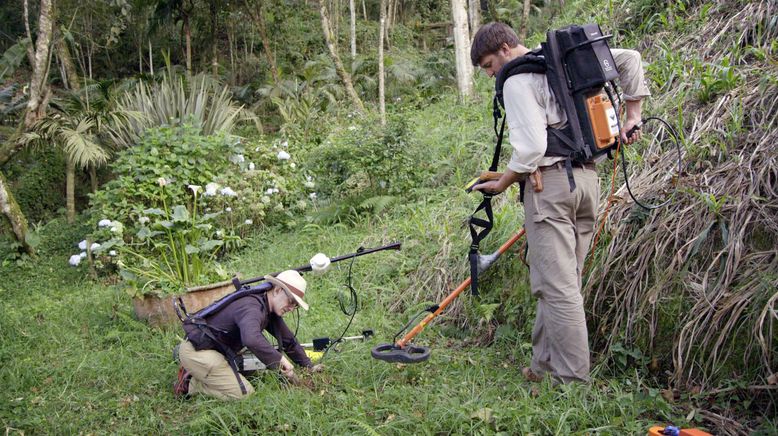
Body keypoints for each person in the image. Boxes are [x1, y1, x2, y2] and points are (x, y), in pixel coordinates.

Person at [469, 22, 650, 384]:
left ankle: (569, 381)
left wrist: (503, 181)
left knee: (557, 287)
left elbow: (533, 148)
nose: (491, 74)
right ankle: (543, 365)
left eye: (489, 65)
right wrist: (633, 117)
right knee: (562, 283)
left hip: (549, 186)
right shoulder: (561, 59)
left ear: (504, 48)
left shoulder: (517, 79)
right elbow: (630, 60)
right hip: (587, 182)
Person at [174, 270, 322, 399]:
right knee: (245, 395)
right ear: (277, 290)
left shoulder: (268, 307)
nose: (291, 308)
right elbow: (251, 339)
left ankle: (209, 375)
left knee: (255, 372)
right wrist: (279, 360)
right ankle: (190, 384)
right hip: (200, 351)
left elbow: (288, 340)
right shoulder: (252, 307)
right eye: (291, 302)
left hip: (220, 351)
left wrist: (308, 366)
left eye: (295, 306)